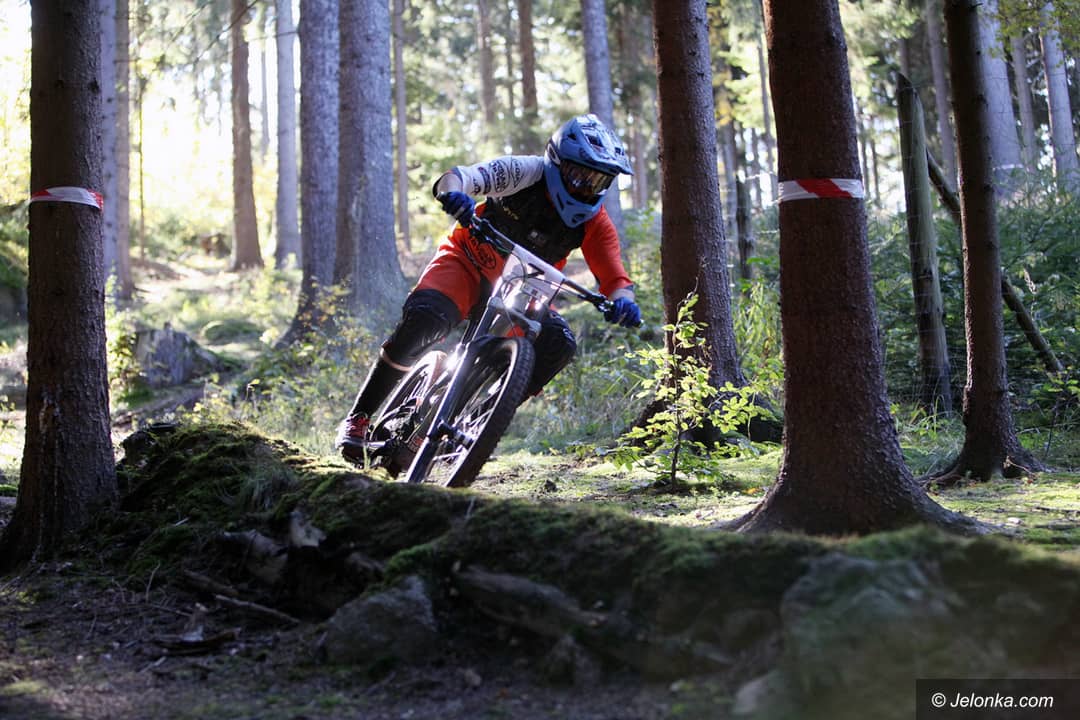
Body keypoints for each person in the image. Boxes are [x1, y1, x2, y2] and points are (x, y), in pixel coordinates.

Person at [336, 113, 642, 464]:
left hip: (525, 290)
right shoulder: (525, 172)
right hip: (467, 263)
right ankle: (359, 418)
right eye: (580, 176)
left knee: (558, 344)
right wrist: (455, 195)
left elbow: (615, 278)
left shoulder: (595, 223)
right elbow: (460, 177)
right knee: (425, 319)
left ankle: (478, 422)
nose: (587, 188)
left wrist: (624, 302)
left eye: (598, 181)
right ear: (558, 162)